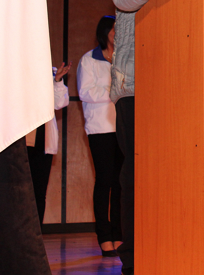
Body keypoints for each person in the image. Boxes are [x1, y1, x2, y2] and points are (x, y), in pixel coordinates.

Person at [111, 0, 204, 275]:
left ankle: (176, 253)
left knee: (180, 176)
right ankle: (135, 261)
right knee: (140, 177)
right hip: (139, 89)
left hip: (186, 92)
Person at [77, 15, 123, 256]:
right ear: (105, 33)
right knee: (104, 181)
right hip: (100, 129)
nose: (118, 33)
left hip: (122, 128)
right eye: (115, 29)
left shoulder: (124, 59)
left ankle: (118, 233)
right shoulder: (89, 60)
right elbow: (85, 92)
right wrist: (113, 90)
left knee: (120, 183)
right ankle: (104, 235)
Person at [26, 62, 70, 224]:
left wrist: (57, 80)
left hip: (43, 141)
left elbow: (60, 103)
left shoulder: (49, 72)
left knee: (39, 193)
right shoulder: (17, 70)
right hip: (20, 141)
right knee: (18, 193)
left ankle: (37, 234)